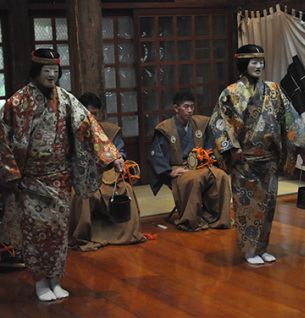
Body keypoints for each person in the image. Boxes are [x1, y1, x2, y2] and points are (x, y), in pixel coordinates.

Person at [0, 49, 124, 301]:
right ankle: (40, 283)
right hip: (31, 180)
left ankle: (55, 279)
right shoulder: (18, 102)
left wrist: (112, 155)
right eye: (47, 71)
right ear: (36, 72)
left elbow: (87, 125)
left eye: (56, 72)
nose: (52, 76)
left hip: (60, 178)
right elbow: (3, 140)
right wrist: (11, 173)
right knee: (36, 232)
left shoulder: (65, 99)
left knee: (57, 233)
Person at [209, 44, 305, 265]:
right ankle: (250, 250)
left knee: (268, 205)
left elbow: (290, 119)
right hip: (245, 160)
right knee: (248, 205)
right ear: (243, 64)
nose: (258, 66)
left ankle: (262, 247)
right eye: (253, 62)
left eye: (261, 62)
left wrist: (302, 147)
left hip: (269, 159)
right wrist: (231, 147)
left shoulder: (274, 90)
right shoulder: (231, 92)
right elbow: (218, 122)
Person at [68, 93, 146, 251]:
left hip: (107, 176)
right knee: (81, 196)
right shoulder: (71, 132)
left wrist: (117, 161)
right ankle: (82, 237)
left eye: (95, 113)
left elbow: (119, 153)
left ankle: (129, 234)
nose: (92, 117)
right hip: (80, 179)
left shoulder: (108, 131)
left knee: (126, 189)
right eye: (88, 113)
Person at [147, 91, 233, 231]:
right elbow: (156, 155)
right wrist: (169, 172)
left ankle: (217, 217)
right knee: (193, 179)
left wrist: (208, 160)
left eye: (192, 107)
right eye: (186, 107)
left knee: (220, 176)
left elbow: (209, 149)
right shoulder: (166, 128)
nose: (189, 110)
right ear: (176, 108)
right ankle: (192, 220)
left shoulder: (200, 124)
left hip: (200, 165)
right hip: (179, 167)